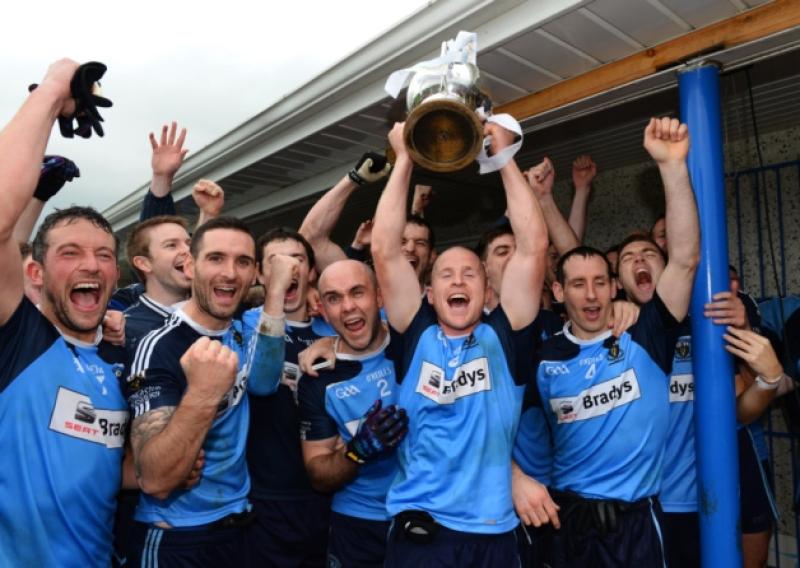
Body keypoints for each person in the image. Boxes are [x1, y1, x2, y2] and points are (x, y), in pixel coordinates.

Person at [524, 117, 700, 567]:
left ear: (613, 288)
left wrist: (673, 167)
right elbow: (489, 422)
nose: (590, 293)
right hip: (567, 523)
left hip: (637, 525)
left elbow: (683, 259)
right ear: (560, 293)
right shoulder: (542, 357)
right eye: (578, 284)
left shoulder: (645, 334)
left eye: (600, 282)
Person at [371, 120, 548, 566]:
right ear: (428, 294)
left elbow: (533, 247)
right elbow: (385, 251)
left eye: (470, 273)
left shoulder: (505, 340)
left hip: (495, 532)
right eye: (445, 274)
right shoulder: (416, 337)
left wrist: (503, 156)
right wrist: (405, 159)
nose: (458, 279)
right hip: (423, 531)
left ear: (488, 291)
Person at [0, 58, 134, 566]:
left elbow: (99, 468)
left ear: (116, 278)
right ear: (34, 274)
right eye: (70, 253)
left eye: (103, 255)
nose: (92, 265)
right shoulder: (20, 337)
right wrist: (54, 89)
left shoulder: (118, 365)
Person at [125, 217, 285, 566]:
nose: (230, 273)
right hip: (177, 538)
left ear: (254, 271)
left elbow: (263, 383)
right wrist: (203, 394)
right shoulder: (161, 346)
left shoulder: (240, 329)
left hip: (239, 523)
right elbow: (155, 478)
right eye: (216, 258)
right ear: (191, 265)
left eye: (242, 262)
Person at [298, 259, 408, 567]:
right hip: (359, 524)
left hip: (427, 513)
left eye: (357, 292)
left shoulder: (412, 343)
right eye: (334, 298)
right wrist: (356, 452)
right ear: (323, 309)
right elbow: (318, 473)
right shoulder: (319, 378)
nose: (347, 306)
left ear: (379, 297)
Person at [242, 227, 335, 567]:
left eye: (297, 260)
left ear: (312, 271)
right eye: (277, 262)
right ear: (259, 273)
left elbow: (387, 326)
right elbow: (261, 383)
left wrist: (333, 343)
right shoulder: (245, 324)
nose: (290, 269)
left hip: (329, 495)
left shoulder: (332, 327)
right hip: (267, 498)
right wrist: (277, 294)